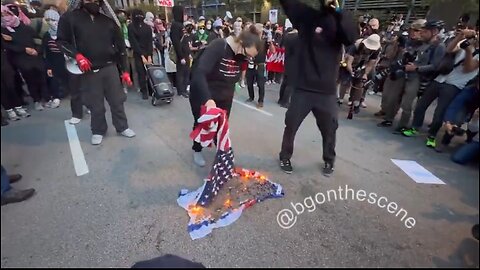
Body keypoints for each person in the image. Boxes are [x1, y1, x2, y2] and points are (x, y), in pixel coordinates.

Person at [278, 0, 357, 176]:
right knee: (290, 124)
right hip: (303, 88)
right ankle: (285, 156)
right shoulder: (308, 17)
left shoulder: (340, 21)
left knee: (330, 129)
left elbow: (351, 37)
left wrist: (338, 10)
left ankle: (329, 160)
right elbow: (289, 4)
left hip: (326, 91)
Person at [57, 0, 135, 145]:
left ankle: (122, 127)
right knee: (95, 104)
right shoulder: (70, 18)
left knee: (117, 101)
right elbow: (61, 42)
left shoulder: (108, 21)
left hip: (110, 67)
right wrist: (77, 56)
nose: (92, 2)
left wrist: (124, 71)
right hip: (88, 70)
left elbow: (120, 48)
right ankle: (98, 130)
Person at [189, 26, 262, 167]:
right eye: (248, 55)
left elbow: (234, 74)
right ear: (241, 44)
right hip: (205, 92)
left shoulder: (243, 55)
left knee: (222, 125)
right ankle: (197, 149)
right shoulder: (219, 46)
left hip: (225, 95)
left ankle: (221, 149)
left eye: (251, 57)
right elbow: (199, 73)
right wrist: (208, 99)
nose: (248, 59)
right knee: (202, 123)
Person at [402, 27, 479, 147]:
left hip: (454, 85)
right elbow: (449, 50)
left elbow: (467, 68)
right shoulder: (466, 45)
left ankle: (432, 136)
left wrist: (469, 51)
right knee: (421, 105)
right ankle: (415, 127)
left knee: (439, 113)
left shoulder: (473, 52)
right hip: (440, 78)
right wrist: (461, 36)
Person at [378, 20, 446, 132]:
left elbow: (435, 66)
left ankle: (402, 125)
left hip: (417, 76)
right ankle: (388, 118)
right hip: (404, 71)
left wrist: (417, 68)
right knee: (393, 97)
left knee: (407, 103)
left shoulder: (439, 46)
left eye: (424, 31)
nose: (422, 33)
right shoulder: (414, 41)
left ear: (433, 31)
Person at [1, 4, 50, 111]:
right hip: (21, 59)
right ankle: (36, 100)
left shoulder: (25, 27)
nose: (6, 17)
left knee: (42, 77)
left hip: (35, 56)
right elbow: (7, 46)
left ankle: (46, 98)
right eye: (2, 15)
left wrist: (38, 50)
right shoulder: (4, 31)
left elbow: (38, 39)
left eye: (7, 14)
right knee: (30, 79)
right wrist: (24, 49)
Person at [338, 34, 381, 112]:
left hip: (362, 65)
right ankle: (340, 99)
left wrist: (365, 74)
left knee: (360, 83)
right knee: (345, 80)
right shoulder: (356, 46)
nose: (369, 49)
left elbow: (370, 64)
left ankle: (356, 103)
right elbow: (349, 62)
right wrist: (351, 71)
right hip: (350, 61)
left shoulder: (376, 51)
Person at [1, 37, 30, 120]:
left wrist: (23, 48)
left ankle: (18, 108)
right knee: (2, 91)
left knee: (11, 88)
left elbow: (8, 45)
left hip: (5, 66)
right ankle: (10, 111)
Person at [42, 9, 66, 108]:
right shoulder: (47, 35)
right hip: (54, 60)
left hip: (67, 59)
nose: (50, 22)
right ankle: (56, 97)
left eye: (52, 19)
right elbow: (46, 52)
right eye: (48, 20)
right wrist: (48, 66)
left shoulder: (65, 32)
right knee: (53, 78)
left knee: (74, 80)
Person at [128, 9, 153, 100]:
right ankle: (144, 91)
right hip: (139, 54)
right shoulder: (131, 27)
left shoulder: (147, 27)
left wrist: (149, 55)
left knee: (149, 72)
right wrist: (143, 55)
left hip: (146, 52)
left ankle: (151, 90)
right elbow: (134, 42)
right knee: (141, 73)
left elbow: (150, 42)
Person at [245, 24, 267, 108]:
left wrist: (271, 43)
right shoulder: (250, 41)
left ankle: (260, 101)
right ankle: (251, 97)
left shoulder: (264, 41)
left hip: (260, 65)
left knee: (261, 84)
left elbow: (273, 50)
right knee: (249, 83)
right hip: (251, 64)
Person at [171, 6, 189, 98]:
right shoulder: (175, 25)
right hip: (181, 53)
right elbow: (176, 42)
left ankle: (184, 89)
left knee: (186, 71)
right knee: (181, 72)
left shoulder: (180, 25)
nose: (185, 15)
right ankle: (181, 90)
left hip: (185, 52)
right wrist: (181, 56)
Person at [278, 25, 298, 108]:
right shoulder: (297, 37)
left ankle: (281, 99)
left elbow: (281, 45)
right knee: (291, 83)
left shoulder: (287, 35)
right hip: (295, 62)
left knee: (285, 81)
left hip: (287, 59)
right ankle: (285, 101)